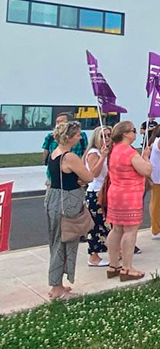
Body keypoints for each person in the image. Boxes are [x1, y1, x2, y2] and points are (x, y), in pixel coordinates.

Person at [44, 120, 95, 299]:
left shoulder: (54, 153)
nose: (80, 138)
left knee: (57, 241)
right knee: (64, 242)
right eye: (77, 135)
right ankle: (56, 287)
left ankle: (58, 283)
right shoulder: (70, 156)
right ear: (69, 137)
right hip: (68, 202)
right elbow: (88, 176)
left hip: (55, 199)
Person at [106, 121, 152, 281]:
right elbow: (146, 170)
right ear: (125, 134)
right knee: (130, 231)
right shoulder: (129, 152)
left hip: (115, 192)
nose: (135, 133)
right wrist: (146, 157)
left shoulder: (114, 150)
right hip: (130, 194)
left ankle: (113, 265)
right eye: (133, 130)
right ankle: (127, 268)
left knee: (116, 229)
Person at [84, 126, 112, 267]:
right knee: (96, 225)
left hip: (106, 191)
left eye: (108, 135)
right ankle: (93, 256)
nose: (106, 139)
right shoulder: (93, 153)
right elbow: (94, 173)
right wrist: (103, 157)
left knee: (108, 223)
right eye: (103, 136)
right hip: (95, 192)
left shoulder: (107, 152)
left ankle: (113, 249)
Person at [41, 112, 88, 179]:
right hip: (54, 175)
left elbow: (85, 151)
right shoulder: (51, 136)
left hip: (75, 173)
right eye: (57, 122)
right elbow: (46, 152)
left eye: (61, 122)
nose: (58, 124)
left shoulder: (81, 136)